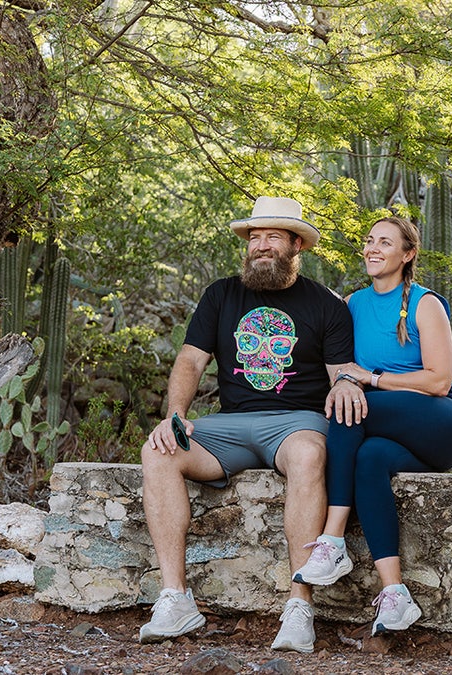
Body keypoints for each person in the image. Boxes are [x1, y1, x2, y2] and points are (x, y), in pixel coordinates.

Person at [138, 196, 367, 653]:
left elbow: (340, 372)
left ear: (296, 245)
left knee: (308, 454)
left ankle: (299, 607)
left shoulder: (326, 304)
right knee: (157, 450)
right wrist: (175, 415)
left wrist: (345, 383)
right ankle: (175, 599)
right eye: (254, 237)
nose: (261, 245)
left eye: (273, 237)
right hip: (231, 425)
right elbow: (191, 360)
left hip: (296, 424)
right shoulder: (221, 295)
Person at [292, 214, 452, 636]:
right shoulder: (353, 304)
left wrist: (371, 379)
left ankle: (333, 538)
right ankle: (395, 594)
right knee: (369, 457)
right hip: (391, 435)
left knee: (351, 404)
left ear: (408, 254)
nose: (373, 248)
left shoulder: (426, 303)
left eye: (385, 242)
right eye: (370, 240)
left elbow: (439, 381)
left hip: (439, 420)